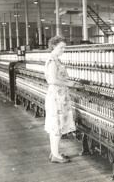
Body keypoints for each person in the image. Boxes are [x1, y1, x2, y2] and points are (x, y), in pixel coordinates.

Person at [44, 35, 79, 163]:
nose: (63, 50)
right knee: (56, 126)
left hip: (60, 96)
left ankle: (55, 152)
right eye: (61, 47)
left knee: (56, 126)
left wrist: (72, 82)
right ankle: (56, 156)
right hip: (56, 97)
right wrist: (70, 84)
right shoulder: (52, 61)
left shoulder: (57, 60)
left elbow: (60, 77)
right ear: (53, 46)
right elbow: (52, 80)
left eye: (64, 47)